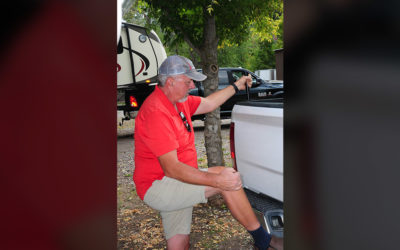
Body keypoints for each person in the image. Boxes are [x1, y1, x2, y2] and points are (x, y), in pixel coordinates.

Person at [133, 55, 283, 250]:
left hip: (180, 180)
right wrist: (216, 182)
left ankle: (263, 240)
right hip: (160, 186)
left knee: (179, 244)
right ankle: (264, 241)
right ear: (170, 82)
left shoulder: (178, 101)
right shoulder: (156, 112)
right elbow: (171, 168)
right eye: (188, 81)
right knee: (228, 178)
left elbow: (209, 103)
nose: (192, 85)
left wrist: (236, 86)